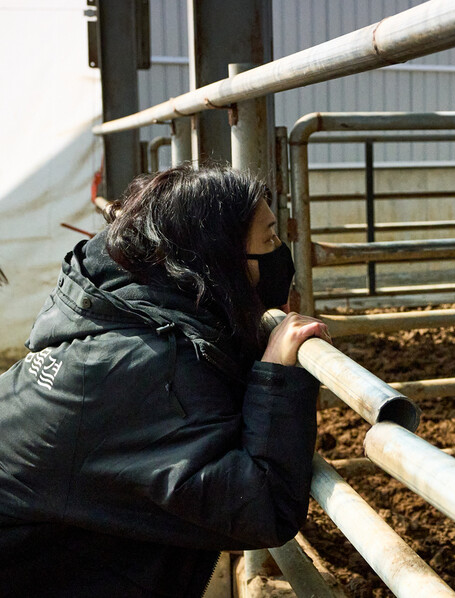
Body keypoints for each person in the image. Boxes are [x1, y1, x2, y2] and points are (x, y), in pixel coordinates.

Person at [0, 166, 328, 597]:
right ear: (216, 256)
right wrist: (276, 378)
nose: (280, 253)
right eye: (268, 240)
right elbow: (262, 508)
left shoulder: (117, 314)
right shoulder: (145, 369)